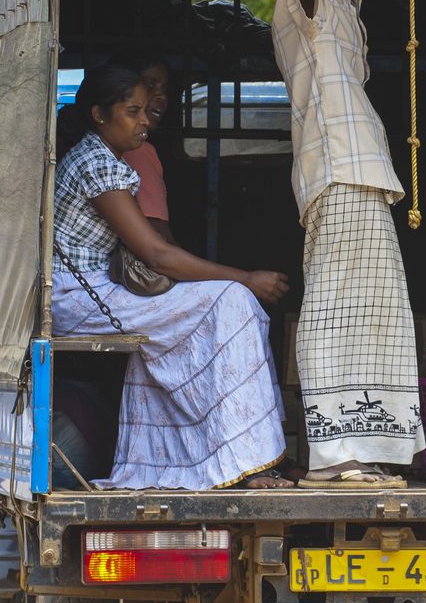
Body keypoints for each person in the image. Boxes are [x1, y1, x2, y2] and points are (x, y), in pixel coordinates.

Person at [51, 64, 294, 490]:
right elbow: (158, 254)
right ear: (99, 115)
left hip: (88, 294)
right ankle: (251, 461)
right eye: (132, 111)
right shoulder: (97, 164)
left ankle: (161, 467)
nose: (145, 121)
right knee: (231, 301)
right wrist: (245, 278)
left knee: (181, 330)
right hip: (79, 298)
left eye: (146, 111)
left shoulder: (103, 158)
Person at [272, 0, 425, 488]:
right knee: (336, 311)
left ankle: (361, 451)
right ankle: (334, 458)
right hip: (338, 171)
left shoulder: (348, 4)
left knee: (374, 314)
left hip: (361, 174)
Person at [112, 51, 177, 244]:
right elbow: (159, 238)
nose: (161, 95)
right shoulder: (137, 150)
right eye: (150, 85)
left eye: (164, 87)